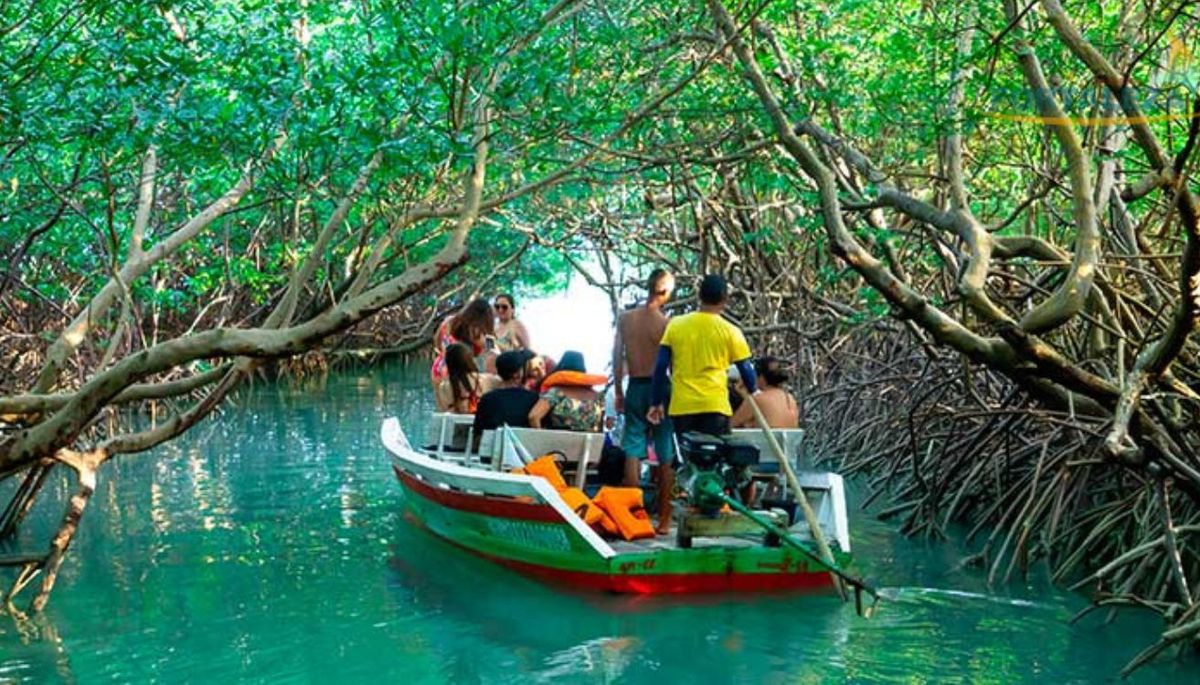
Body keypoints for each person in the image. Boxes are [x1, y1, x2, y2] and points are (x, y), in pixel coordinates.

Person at [648, 274, 758, 511]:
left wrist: (655, 402)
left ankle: (694, 503)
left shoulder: (676, 324)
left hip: (683, 406)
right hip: (715, 406)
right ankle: (716, 505)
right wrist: (752, 389)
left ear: (699, 296)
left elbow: (659, 368)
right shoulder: (731, 331)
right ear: (725, 299)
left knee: (691, 460)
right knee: (715, 459)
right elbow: (747, 370)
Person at [612, 268, 675, 530]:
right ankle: (664, 519)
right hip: (660, 388)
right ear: (664, 292)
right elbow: (672, 363)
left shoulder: (625, 318)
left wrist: (618, 391)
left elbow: (617, 356)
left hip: (635, 385)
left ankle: (636, 517)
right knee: (665, 452)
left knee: (633, 448)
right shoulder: (667, 324)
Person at [472, 350, 540, 450]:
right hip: (522, 457)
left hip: (491, 454)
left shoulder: (487, 399)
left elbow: (477, 435)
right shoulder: (533, 399)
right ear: (517, 374)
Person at [529, 350, 607, 431]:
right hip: (589, 442)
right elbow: (601, 428)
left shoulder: (556, 393)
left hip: (558, 442)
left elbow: (533, 417)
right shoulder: (598, 397)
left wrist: (542, 438)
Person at [431, 299, 495, 387]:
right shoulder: (476, 332)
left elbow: (437, 342)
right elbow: (493, 351)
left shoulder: (449, 321)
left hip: (439, 368)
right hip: (458, 374)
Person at [732, 356, 799, 429]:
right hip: (789, 440)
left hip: (764, 440)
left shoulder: (758, 400)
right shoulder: (790, 398)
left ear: (761, 377)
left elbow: (730, 425)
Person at [435, 343, 500, 414]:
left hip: (456, 423)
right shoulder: (484, 380)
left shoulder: (444, 387)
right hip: (480, 422)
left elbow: (443, 411)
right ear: (468, 360)